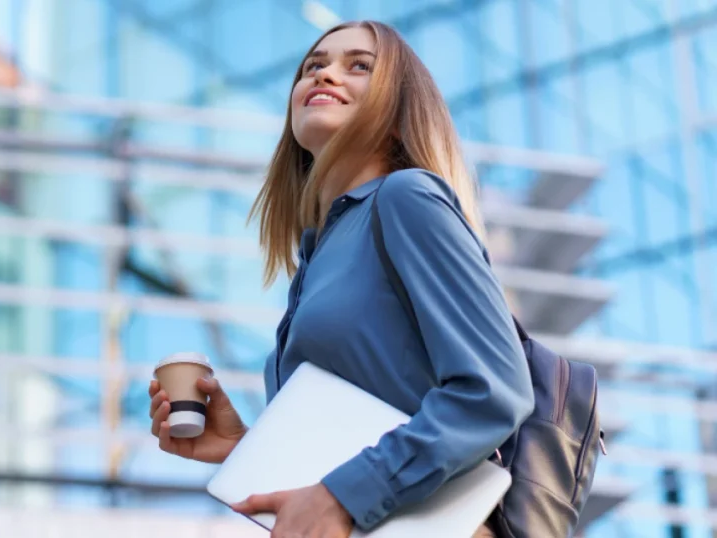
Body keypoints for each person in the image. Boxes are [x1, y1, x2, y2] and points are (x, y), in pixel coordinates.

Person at [148, 20, 533, 538]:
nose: (325, 74)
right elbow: (352, 440)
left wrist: (343, 495)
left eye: (358, 66)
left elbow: (494, 392)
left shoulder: (407, 198)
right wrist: (243, 445)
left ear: (398, 115)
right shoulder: (317, 258)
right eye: (313, 66)